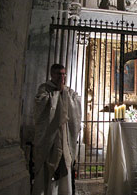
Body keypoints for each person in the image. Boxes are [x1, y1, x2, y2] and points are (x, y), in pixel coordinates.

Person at [32, 64, 81, 195]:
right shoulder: (44, 89)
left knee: (64, 163)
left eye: (64, 74)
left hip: (64, 135)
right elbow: (40, 106)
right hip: (49, 137)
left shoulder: (68, 91)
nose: (62, 77)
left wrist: (64, 93)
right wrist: (56, 94)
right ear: (52, 75)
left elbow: (76, 104)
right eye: (59, 74)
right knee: (47, 167)